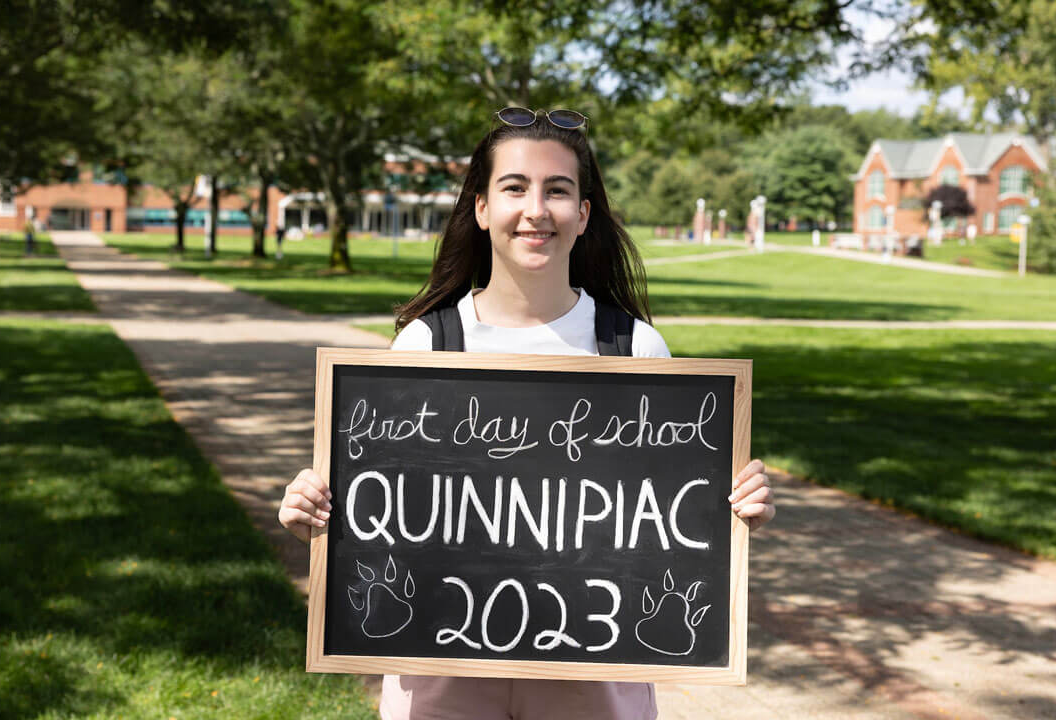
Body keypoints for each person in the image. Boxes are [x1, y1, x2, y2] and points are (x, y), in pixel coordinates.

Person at [279, 107, 776, 720]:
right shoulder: (424, 348)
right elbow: (380, 515)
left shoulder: (634, 348)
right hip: (441, 672)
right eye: (514, 187)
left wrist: (731, 509)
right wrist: (317, 513)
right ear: (482, 209)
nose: (536, 209)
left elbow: (673, 521)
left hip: (593, 676)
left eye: (558, 191)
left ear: (584, 214)